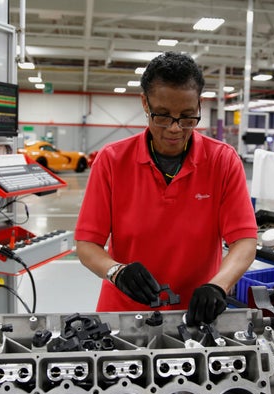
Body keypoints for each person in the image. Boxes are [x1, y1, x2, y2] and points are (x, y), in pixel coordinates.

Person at [74, 51, 258, 326]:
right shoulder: (112, 160)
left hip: (196, 315)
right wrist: (116, 271)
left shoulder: (222, 160)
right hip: (123, 313)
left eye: (186, 117)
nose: (174, 129)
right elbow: (87, 245)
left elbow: (244, 241)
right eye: (162, 116)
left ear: (199, 105)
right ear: (145, 104)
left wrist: (219, 285)